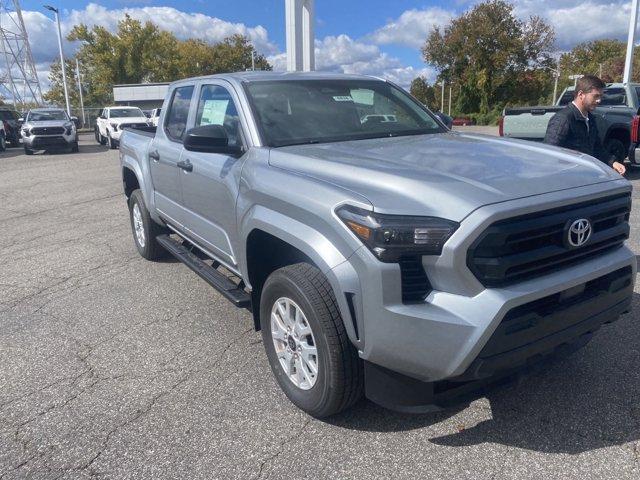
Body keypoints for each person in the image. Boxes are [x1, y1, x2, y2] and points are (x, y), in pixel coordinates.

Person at [544, 75, 626, 175]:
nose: (599, 100)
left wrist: (613, 162)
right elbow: (549, 154)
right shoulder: (564, 118)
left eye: (600, 96)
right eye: (595, 96)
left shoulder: (590, 119)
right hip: (566, 179)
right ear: (581, 94)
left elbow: (597, 148)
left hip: (584, 176)